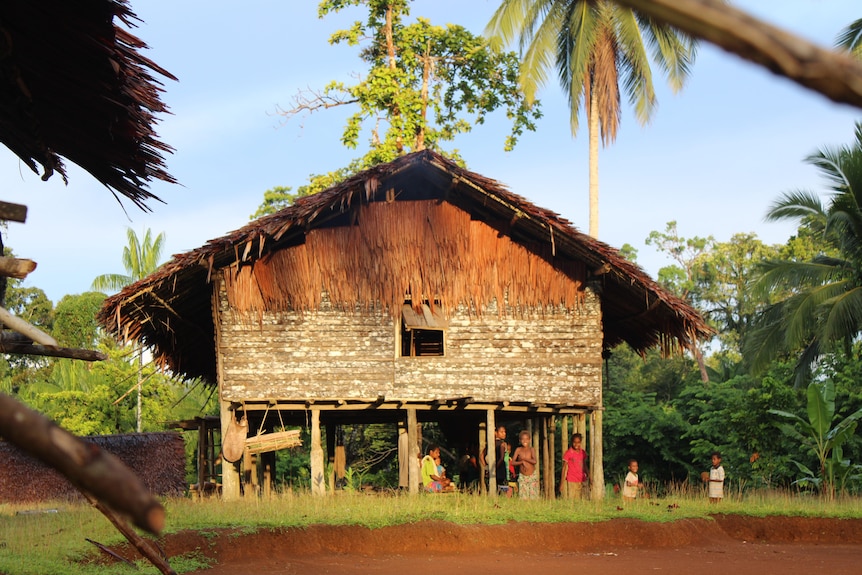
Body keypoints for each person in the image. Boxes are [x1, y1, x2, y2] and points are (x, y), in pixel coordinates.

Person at [481, 425, 511, 496]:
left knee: (492, 489)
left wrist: (486, 467)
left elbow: (481, 456)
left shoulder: (490, 444)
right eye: (501, 432)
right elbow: (501, 458)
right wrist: (495, 468)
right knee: (503, 490)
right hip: (500, 470)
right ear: (495, 433)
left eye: (504, 432)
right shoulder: (502, 444)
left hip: (491, 469)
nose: (504, 434)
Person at [559, 432, 588, 499]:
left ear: (580, 442)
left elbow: (585, 465)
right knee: (573, 500)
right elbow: (564, 468)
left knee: (583, 499)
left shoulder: (583, 453)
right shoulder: (568, 453)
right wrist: (562, 483)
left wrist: (589, 476)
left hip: (582, 479)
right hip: (572, 480)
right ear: (572, 442)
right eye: (574, 442)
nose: (576, 444)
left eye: (578, 442)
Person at [512, 430, 539, 499]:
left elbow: (534, 461)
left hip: (532, 475)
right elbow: (513, 462)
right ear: (520, 440)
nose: (525, 441)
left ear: (529, 440)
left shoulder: (531, 449)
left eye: (527, 439)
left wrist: (524, 459)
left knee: (533, 496)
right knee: (523, 496)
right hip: (522, 476)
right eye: (523, 439)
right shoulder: (518, 450)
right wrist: (521, 462)